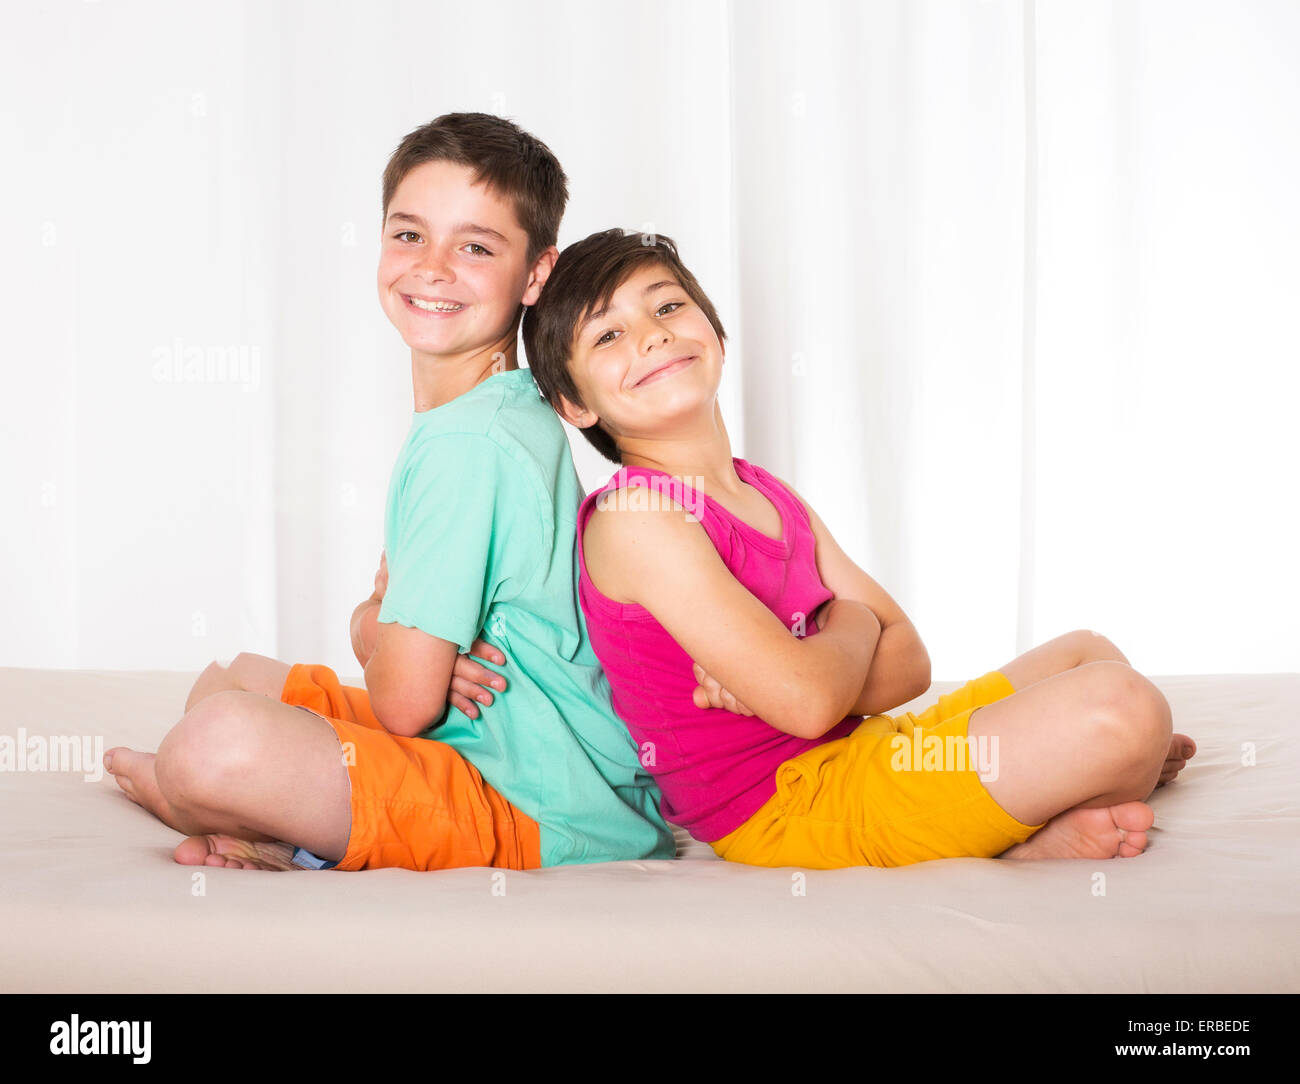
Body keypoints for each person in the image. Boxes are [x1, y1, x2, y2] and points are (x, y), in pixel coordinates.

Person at [522, 227, 1197, 868]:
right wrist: (847, 627)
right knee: (1122, 709)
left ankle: (1038, 803)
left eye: (668, 305)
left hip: (861, 751)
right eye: (609, 334)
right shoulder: (638, 516)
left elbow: (910, 664)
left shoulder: (766, 493)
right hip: (791, 805)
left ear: (717, 335)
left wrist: (803, 673)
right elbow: (812, 701)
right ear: (575, 404)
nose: (653, 335)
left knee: (1090, 651)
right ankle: (1027, 831)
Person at [103, 117, 673, 872]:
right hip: (498, 741)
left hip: (536, 806)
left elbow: (406, 701)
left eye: (475, 247)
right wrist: (396, 636)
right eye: (410, 235)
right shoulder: (495, 407)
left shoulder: (470, 444)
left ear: (536, 274)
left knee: (214, 744)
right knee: (229, 679)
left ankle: (218, 807)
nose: (433, 268)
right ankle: (285, 827)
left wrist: (376, 628)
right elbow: (414, 658)